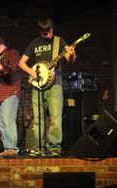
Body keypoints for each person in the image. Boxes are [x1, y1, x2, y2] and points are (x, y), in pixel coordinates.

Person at [18, 17, 76, 157]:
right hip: (38, 86)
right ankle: (40, 148)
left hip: (55, 85)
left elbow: (70, 60)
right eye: (45, 33)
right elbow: (21, 63)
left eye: (50, 31)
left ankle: (55, 147)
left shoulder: (59, 41)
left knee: (56, 118)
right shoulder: (34, 44)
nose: (48, 35)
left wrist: (72, 53)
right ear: (40, 32)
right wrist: (31, 72)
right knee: (39, 119)